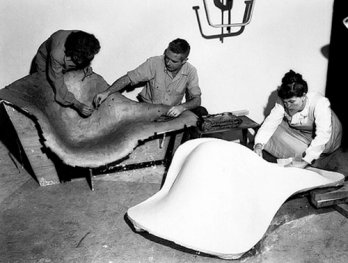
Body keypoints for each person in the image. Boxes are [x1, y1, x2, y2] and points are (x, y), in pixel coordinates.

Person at [93, 38, 207, 118]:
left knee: (201, 112)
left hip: (170, 113)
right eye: (167, 57)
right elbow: (128, 78)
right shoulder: (154, 63)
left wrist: (181, 108)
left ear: (184, 61)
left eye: (174, 61)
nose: (168, 62)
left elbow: (197, 100)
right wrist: (106, 92)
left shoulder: (191, 71)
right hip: (148, 111)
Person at [254, 70, 342, 169]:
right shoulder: (283, 100)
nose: (288, 105)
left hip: (329, 136)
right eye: (285, 102)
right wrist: (258, 145)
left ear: (303, 96)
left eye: (291, 102)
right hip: (303, 132)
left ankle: (316, 158)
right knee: (267, 133)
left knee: (312, 155)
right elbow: (270, 123)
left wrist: (305, 162)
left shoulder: (320, 102)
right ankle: (308, 154)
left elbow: (323, 135)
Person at [31, 30, 101, 117]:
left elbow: (86, 54)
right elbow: (58, 83)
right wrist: (77, 104)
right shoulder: (57, 54)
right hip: (45, 63)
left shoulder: (84, 40)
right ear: (75, 56)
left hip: (66, 57)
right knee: (48, 93)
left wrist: (86, 66)